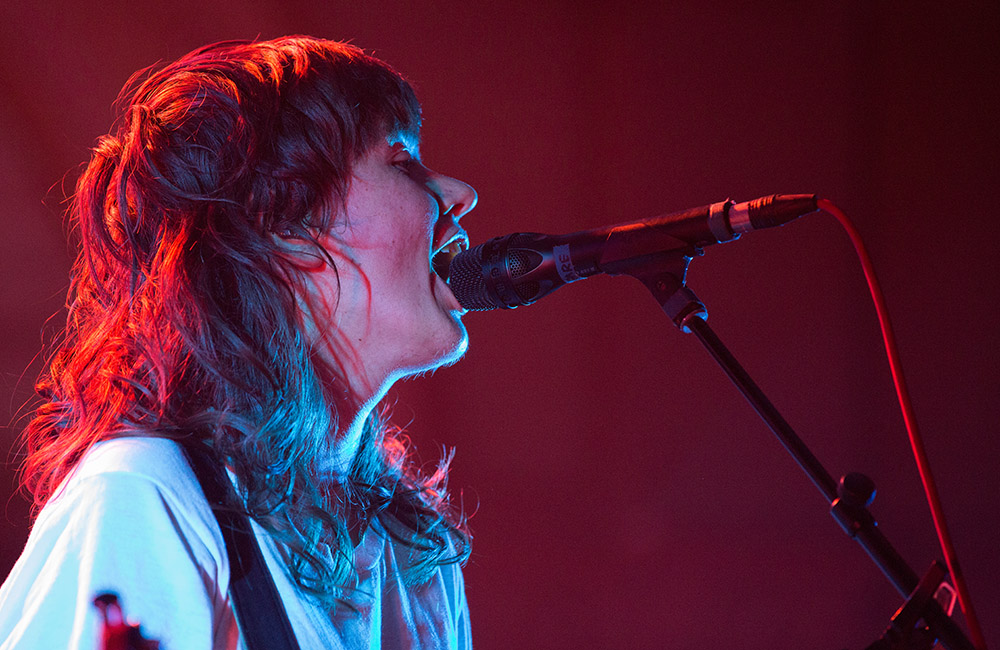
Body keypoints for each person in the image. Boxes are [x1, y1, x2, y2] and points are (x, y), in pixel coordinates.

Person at [0, 36, 477, 649]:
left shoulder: (413, 555)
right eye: (402, 160)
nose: (458, 193)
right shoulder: (145, 498)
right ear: (288, 223)